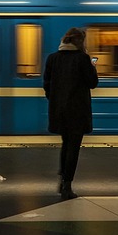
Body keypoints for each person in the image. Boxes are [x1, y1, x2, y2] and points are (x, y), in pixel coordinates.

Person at [43, 27, 99, 199]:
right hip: (77, 111)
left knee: (66, 144)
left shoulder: (52, 58)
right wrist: (93, 65)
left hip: (59, 111)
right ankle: (67, 186)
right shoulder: (83, 59)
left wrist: (56, 101)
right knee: (73, 147)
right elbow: (92, 83)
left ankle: (62, 181)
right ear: (80, 42)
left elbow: (47, 85)